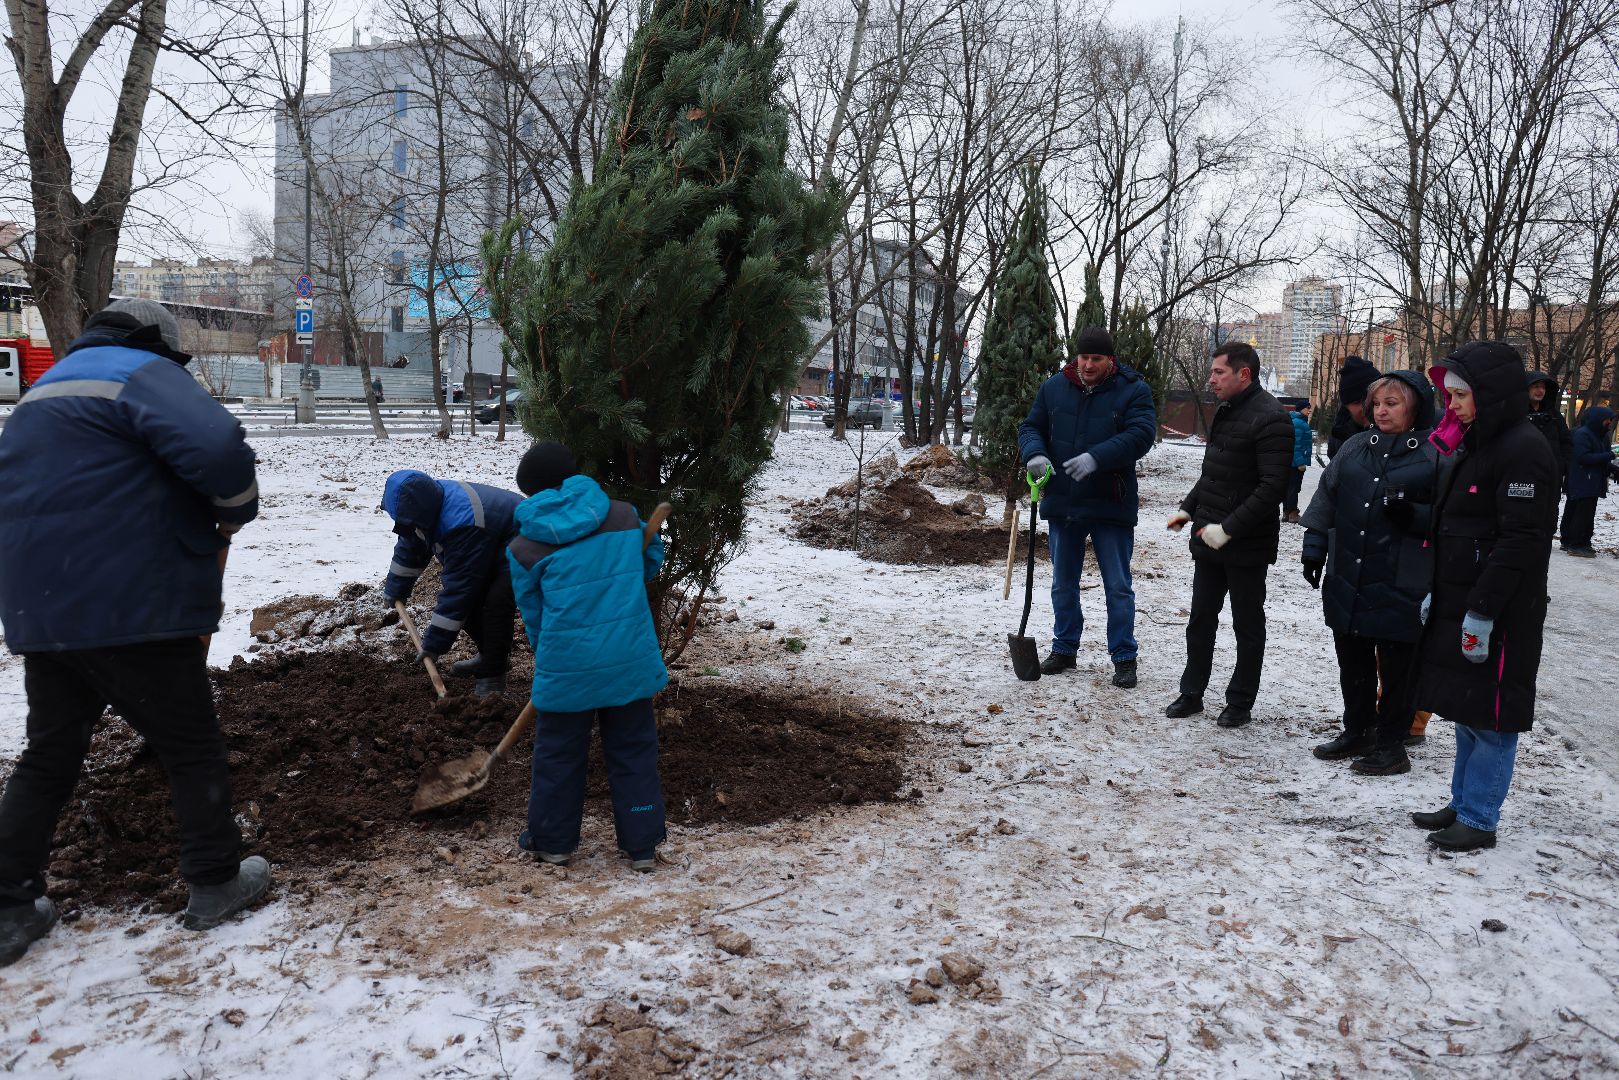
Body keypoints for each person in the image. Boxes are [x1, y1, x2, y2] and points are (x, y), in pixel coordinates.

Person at [0, 299, 269, 965]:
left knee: (49, 754)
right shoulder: (138, 371)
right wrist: (234, 511)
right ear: (156, 341)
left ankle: (8, 906)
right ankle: (215, 882)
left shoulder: (45, 391)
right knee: (190, 745)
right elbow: (218, 449)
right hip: (130, 604)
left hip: (44, 604)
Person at [1411, 342, 1556, 852]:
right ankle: (1462, 803)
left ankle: (1479, 818)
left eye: (1460, 395)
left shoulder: (1523, 449)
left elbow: (1522, 541)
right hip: (1464, 600)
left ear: (1490, 394)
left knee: (1492, 717)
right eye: (1447, 396)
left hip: (1501, 610)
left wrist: (1483, 610)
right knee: (1467, 711)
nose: (1452, 405)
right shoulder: (1479, 442)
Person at [506, 443, 668, 871]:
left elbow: (534, 615)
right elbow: (650, 564)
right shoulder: (621, 515)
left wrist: (551, 659)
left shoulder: (524, 546)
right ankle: (642, 845)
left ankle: (554, 841)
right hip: (629, 660)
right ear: (572, 473)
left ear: (531, 493)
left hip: (567, 667)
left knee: (558, 754)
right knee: (633, 749)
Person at [1300, 371, 1437, 776]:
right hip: (1350, 573)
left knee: (1398, 669)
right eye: (1377, 403)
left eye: (1391, 403)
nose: (1381, 410)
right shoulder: (1358, 446)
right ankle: (1358, 730)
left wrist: (1415, 515)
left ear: (1415, 407)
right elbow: (1327, 495)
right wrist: (1314, 546)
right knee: (1353, 660)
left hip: (1403, 577)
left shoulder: (1436, 453)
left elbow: (1454, 517)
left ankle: (1392, 745)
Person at [1017, 326, 1157, 687]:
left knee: (1118, 585)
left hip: (1110, 502)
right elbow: (1031, 427)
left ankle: (1124, 656)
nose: (1089, 365)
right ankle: (1064, 648)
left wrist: (1098, 458)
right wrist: (1034, 454)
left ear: (1110, 359)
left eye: (1097, 358)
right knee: (1063, 583)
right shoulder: (1054, 388)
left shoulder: (1133, 390)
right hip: (1064, 500)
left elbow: (1141, 435)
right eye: (1084, 357)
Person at [1166, 341, 1294, 728]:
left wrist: (1228, 530)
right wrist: (1188, 508)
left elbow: (1272, 488)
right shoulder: (1227, 410)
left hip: (1246, 545)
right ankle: (1192, 693)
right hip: (1210, 538)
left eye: (1218, 372)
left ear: (1244, 374)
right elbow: (1214, 473)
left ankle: (1240, 702)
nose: (1211, 379)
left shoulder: (1272, 418)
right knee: (1201, 619)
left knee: (1247, 625)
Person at [380, 470, 523, 697]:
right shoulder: (421, 507)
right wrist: (395, 588)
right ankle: (489, 656)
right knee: (471, 603)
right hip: (489, 539)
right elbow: (410, 546)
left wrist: (434, 645)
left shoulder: (461, 522)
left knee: (494, 604)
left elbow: (460, 591)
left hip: (520, 540)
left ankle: (492, 677)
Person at [1561, 405, 1617, 558]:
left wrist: (1611, 468)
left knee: (1587, 514)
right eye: (1607, 420)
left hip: (1591, 481)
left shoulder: (1597, 435)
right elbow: (1583, 457)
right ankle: (1576, 544)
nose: (1610, 423)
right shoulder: (1583, 435)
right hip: (1584, 481)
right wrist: (1609, 456)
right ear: (1599, 420)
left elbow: (1597, 458)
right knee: (1581, 514)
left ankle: (1583, 542)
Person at [1525, 372, 1573, 484]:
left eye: (1543, 387)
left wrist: (1563, 465)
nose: (1540, 390)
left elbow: (1566, 441)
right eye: (1536, 386)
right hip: (1524, 474)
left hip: (1551, 476)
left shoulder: (1554, 415)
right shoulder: (1517, 413)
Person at [1327, 355, 1377, 460]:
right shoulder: (1339, 437)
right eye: (1357, 402)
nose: (1365, 408)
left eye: (1371, 399)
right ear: (1346, 406)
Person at [1283, 401, 1313, 523]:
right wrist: (1300, 462)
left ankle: (1286, 512)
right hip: (1295, 463)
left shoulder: (1296, 421)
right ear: (1301, 409)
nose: (1310, 410)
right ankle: (1292, 513)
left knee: (1289, 487)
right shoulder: (1299, 423)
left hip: (1291, 461)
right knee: (1294, 488)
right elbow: (1295, 445)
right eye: (1308, 408)